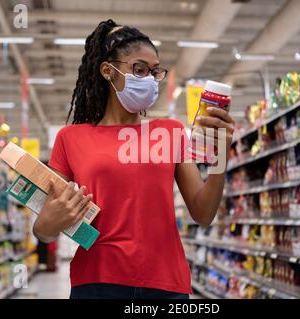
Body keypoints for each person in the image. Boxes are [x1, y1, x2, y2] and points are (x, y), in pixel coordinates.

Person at [33, 19, 234, 299]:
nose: (150, 80)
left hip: (166, 284)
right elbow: (43, 230)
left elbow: (203, 213)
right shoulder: (70, 138)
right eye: (139, 69)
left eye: (155, 72)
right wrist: (47, 224)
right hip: (97, 282)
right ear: (108, 71)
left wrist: (221, 155)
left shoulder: (171, 132)